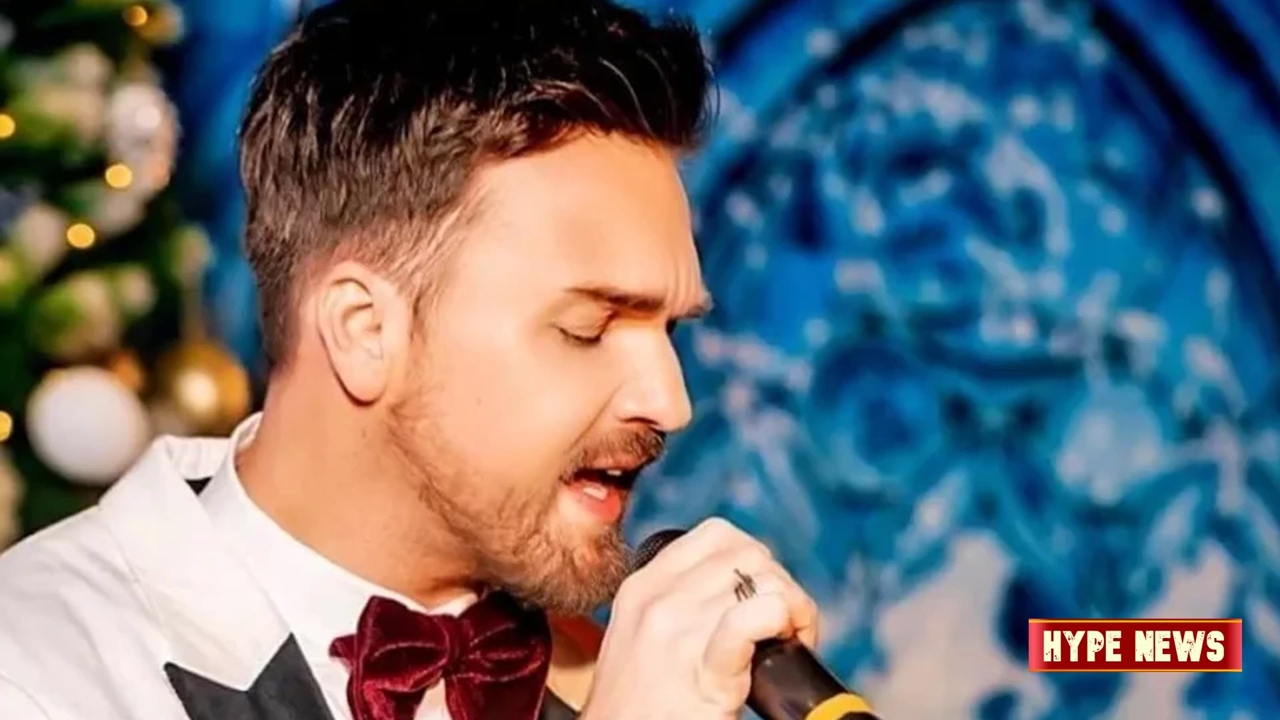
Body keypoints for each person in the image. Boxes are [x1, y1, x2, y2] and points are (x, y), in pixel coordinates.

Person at [0, 1, 822, 719]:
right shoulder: (39, 672)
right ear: (365, 330)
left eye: (668, 330)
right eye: (588, 327)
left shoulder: (624, 665)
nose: (670, 402)